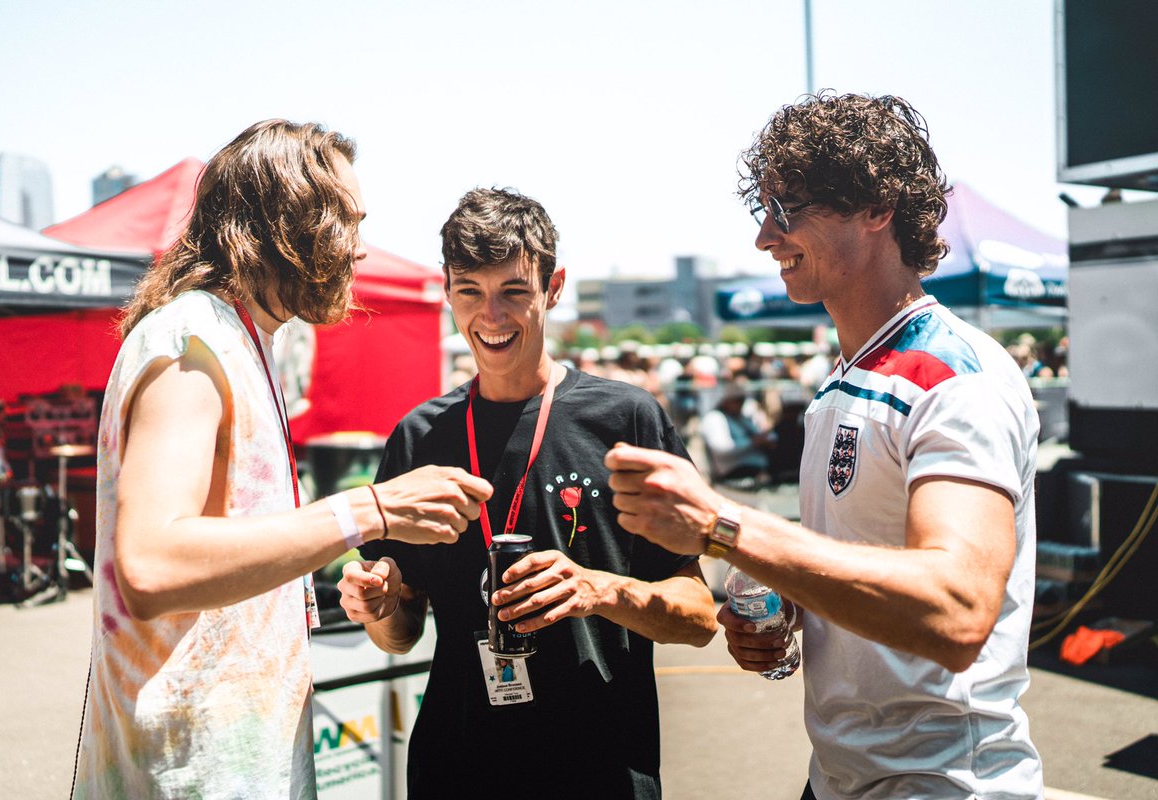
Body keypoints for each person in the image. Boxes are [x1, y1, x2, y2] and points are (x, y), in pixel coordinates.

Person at [606, 93, 1044, 800]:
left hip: (942, 783)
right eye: (765, 212)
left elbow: (958, 609)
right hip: (841, 776)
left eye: (786, 212)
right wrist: (788, 610)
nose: (764, 239)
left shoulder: (957, 378)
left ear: (876, 209)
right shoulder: (843, 378)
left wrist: (725, 526)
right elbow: (865, 562)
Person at [73, 120, 492, 799]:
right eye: (346, 222)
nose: (359, 248)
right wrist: (371, 508)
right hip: (193, 774)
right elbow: (150, 563)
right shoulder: (191, 340)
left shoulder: (241, 338)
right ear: (286, 221)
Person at [337, 187, 716, 799]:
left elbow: (699, 617)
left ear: (554, 286)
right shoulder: (419, 436)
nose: (491, 316)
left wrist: (600, 590)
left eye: (514, 290)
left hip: (600, 770)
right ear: (448, 292)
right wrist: (378, 608)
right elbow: (402, 632)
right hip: (455, 770)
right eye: (471, 291)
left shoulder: (626, 421)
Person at [698, 378, 772, 484]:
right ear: (726, 401)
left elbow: (762, 435)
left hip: (758, 467)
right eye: (736, 400)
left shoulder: (742, 417)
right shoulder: (715, 418)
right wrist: (752, 442)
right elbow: (722, 448)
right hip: (733, 472)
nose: (740, 404)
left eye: (742, 400)